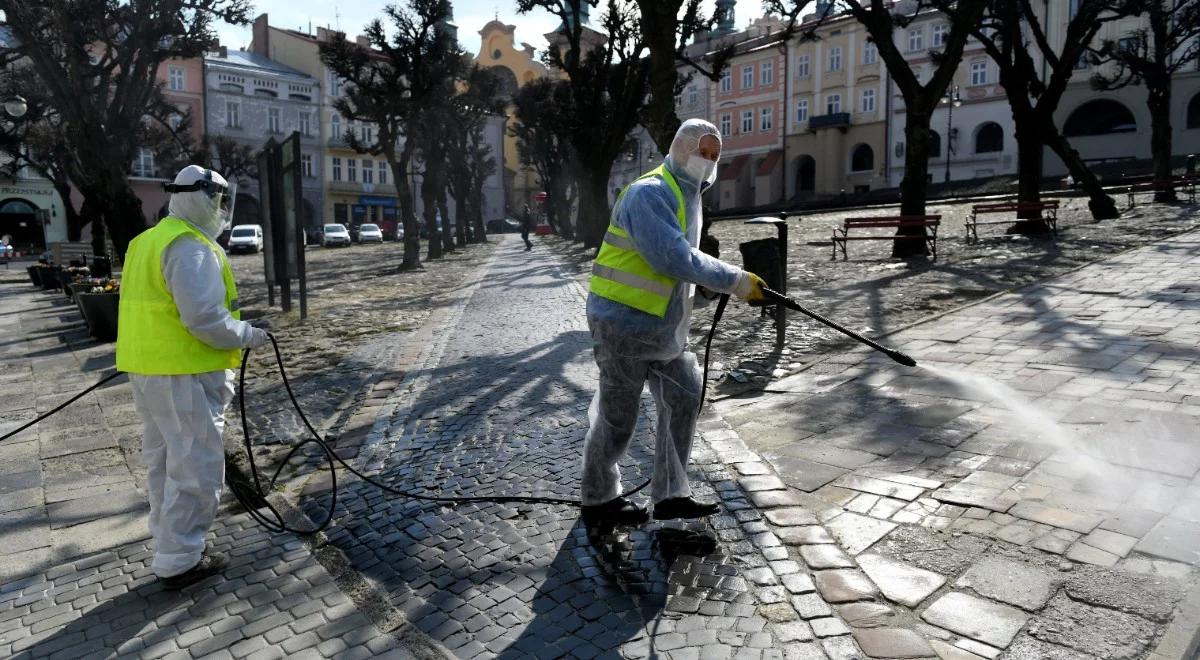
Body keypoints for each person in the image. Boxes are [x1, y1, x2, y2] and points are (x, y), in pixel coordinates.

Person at [581, 119, 767, 524]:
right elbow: (672, 258)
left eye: (716, 156)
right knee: (619, 415)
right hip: (621, 325)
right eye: (704, 152)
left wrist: (702, 294)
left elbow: (670, 275)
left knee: (684, 395)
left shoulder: (689, 197)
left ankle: (669, 495)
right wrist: (734, 279)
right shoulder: (649, 193)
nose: (709, 161)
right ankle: (598, 500)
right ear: (681, 149)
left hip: (659, 330)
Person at [115, 165, 269, 589]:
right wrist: (249, 335)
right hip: (185, 373)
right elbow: (204, 320)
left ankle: (169, 548)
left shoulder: (146, 241)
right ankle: (181, 560)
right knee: (197, 466)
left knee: (164, 463)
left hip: (149, 370)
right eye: (219, 201)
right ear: (203, 198)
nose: (222, 210)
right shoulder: (191, 247)